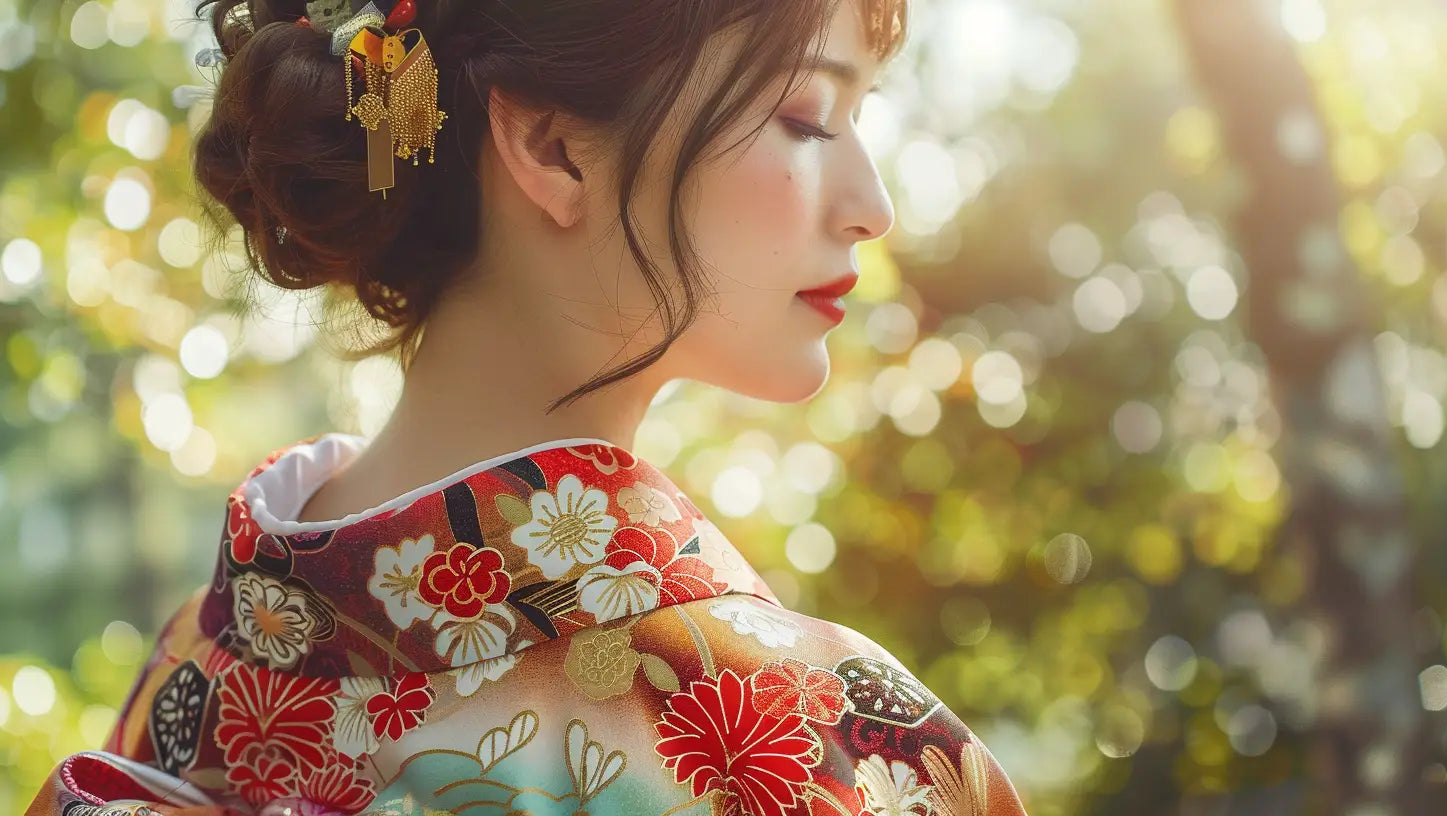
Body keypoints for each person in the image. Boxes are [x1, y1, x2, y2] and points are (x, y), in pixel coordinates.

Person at [28, 0, 1031, 813]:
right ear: (553, 148)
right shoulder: (776, 729)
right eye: (808, 117)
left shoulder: (199, 661)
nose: (873, 205)